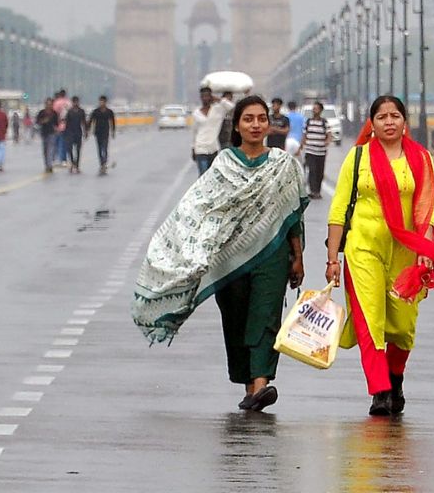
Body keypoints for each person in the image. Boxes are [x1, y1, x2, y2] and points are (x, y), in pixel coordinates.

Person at [133, 95, 307, 413]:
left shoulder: (284, 165)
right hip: (230, 258)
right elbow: (201, 209)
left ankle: (260, 384)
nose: (256, 125)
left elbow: (293, 214)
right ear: (237, 125)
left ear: (269, 123)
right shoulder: (223, 164)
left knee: (266, 317)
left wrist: (297, 256)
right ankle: (248, 383)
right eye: (248, 119)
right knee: (238, 318)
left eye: (261, 118)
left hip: (272, 253)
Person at [326, 95, 434, 417]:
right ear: (372, 123)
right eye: (381, 116)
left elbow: (427, 210)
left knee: (402, 325)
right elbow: (339, 209)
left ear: (404, 121)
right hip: (363, 248)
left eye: (395, 115)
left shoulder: (420, 159)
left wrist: (425, 250)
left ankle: (395, 379)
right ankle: (380, 391)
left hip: (406, 252)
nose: (389, 121)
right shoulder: (358, 159)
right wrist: (332, 259)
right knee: (371, 319)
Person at [191, 86, 233, 177]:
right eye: (203, 96)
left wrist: (219, 99)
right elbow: (194, 132)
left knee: (212, 176)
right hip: (200, 148)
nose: (205, 98)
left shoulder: (218, 110)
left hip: (213, 148)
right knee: (203, 175)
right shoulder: (196, 113)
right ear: (200, 98)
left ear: (211, 97)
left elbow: (231, 108)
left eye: (207, 96)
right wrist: (193, 148)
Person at [297, 101, 331, 199]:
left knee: (319, 172)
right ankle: (313, 191)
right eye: (313, 108)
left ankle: (317, 191)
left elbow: (329, 134)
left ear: (320, 110)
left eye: (316, 108)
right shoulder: (308, 122)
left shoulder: (324, 122)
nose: (314, 110)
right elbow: (304, 135)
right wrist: (301, 146)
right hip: (310, 151)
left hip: (321, 152)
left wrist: (327, 142)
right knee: (312, 170)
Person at [88, 95, 117, 175]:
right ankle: (102, 164)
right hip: (97, 133)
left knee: (105, 148)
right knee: (100, 149)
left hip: (106, 132)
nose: (101, 103)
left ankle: (104, 163)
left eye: (103, 101)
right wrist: (88, 130)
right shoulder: (96, 111)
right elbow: (90, 121)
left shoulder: (109, 112)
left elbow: (112, 122)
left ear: (105, 102)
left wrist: (113, 131)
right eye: (100, 101)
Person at [63, 96, 88, 173]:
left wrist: (85, 132)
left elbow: (84, 122)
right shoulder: (69, 112)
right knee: (69, 149)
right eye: (74, 102)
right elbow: (66, 123)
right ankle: (72, 162)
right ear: (72, 102)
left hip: (78, 132)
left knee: (78, 150)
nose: (76, 103)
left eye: (77, 102)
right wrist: (65, 133)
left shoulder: (81, 111)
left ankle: (77, 165)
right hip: (70, 133)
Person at [35, 97, 59, 174]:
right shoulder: (42, 113)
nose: (49, 106)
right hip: (44, 133)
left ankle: (49, 165)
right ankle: (47, 165)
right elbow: (37, 122)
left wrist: (56, 129)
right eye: (47, 104)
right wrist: (43, 121)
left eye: (50, 104)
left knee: (50, 150)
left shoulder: (54, 113)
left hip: (52, 133)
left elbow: (56, 124)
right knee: (45, 150)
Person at [52, 90, 69, 166]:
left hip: (58, 126)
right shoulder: (69, 102)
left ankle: (56, 159)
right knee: (64, 144)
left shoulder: (57, 103)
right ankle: (64, 159)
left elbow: (54, 114)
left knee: (57, 143)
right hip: (67, 126)